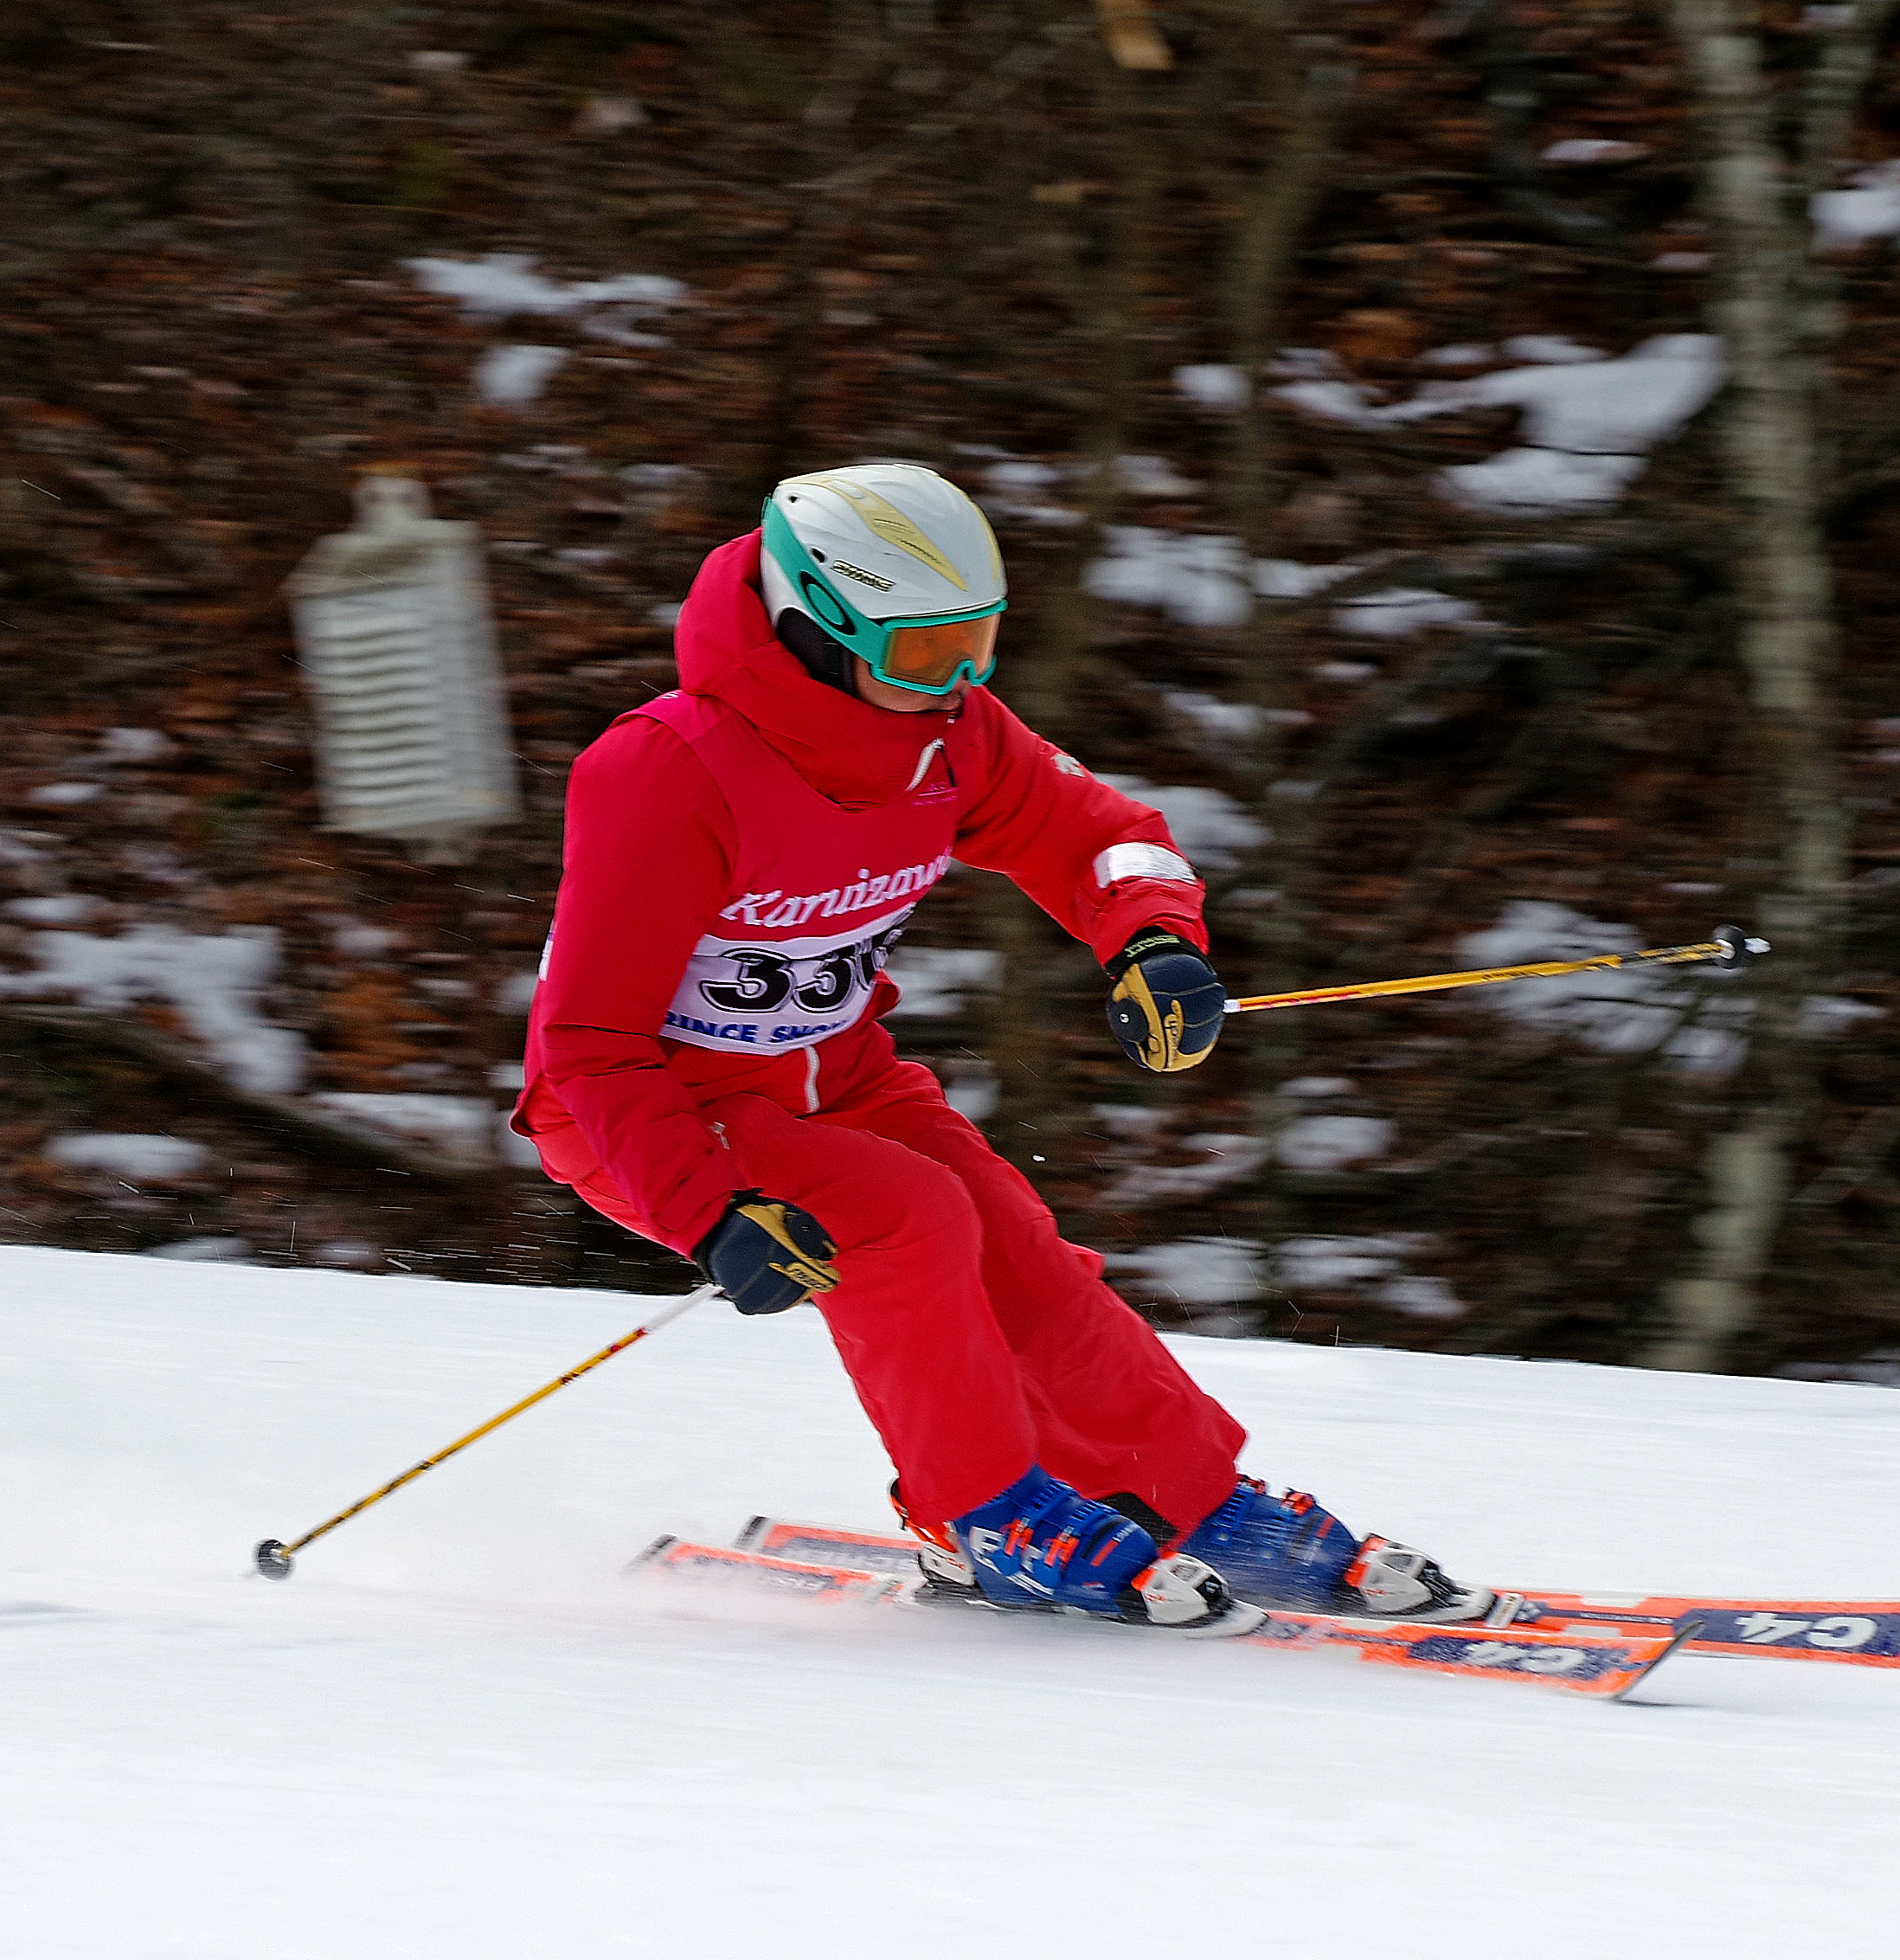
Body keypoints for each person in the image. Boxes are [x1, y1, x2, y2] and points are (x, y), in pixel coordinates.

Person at [515, 462, 1493, 1635]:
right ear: (814, 626)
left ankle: (1185, 1500)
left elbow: (1098, 834)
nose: (960, 683)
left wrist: (1151, 940)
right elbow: (591, 1042)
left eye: (977, 644)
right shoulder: (664, 770)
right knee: (908, 1216)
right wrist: (707, 1207)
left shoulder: (949, 737)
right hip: (650, 1110)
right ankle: (980, 1517)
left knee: (1014, 1244)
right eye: (926, 653)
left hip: (839, 1075)